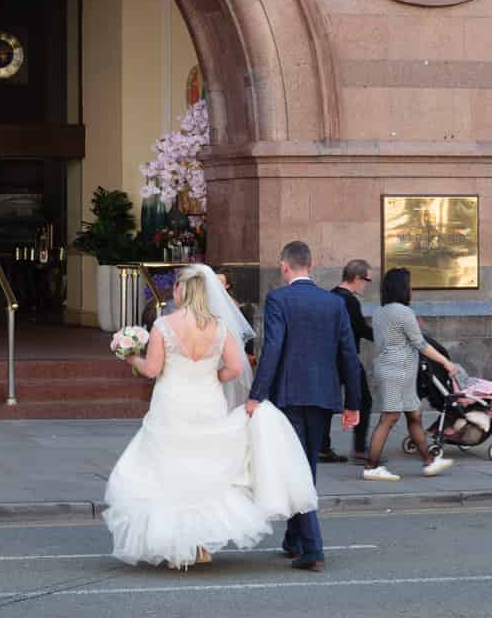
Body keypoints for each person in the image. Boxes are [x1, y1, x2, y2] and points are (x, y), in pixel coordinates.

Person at [103, 265, 317, 569]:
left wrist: (128, 355)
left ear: (182, 291)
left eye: (176, 286)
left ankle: (178, 544)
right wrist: (213, 375)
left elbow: (151, 369)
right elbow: (236, 368)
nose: (173, 291)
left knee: (170, 470)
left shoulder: (164, 325)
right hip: (207, 400)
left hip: (172, 403)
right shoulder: (219, 327)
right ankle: (201, 544)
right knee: (206, 470)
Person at [244, 241, 364, 573]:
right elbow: (348, 355)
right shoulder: (333, 303)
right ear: (311, 265)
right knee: (305, 464)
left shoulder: (279, 299)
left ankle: (312, 547)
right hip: (324, 396)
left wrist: (257, 394)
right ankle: (294, 540)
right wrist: (352, 403)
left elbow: (273, 349)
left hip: (289, 395)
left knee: (297, 469)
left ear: (284, 267)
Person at [363, 267, 459, 481]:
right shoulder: (403, 312)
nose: (412, 289)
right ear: (402, 288)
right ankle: (371, 467)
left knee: (414, 415)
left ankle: (429, 462)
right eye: (409, 285)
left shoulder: (380, 311)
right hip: (397, 371)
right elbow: (421, 344)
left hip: (397, 370)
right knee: (389, 418)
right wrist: (445, 362)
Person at [319, 259, 374, 465]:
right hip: (346, 358)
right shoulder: (350, 301)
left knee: (327, 402)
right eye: (367, 280)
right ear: (357, 278)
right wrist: (388, 336)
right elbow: (361, 329)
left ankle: (322, 447)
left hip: (329, 357)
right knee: (363, 399)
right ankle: (360, 448)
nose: (367, 285)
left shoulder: (330, 296)